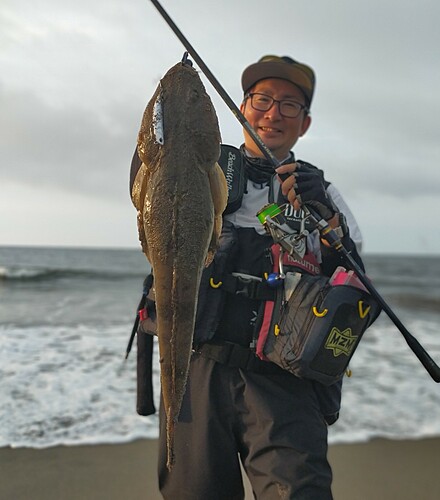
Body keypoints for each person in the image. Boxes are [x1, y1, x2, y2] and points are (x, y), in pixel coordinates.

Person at [131, 55, 365, 499]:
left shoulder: (322, 194)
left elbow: (358, 300)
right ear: (240, 107)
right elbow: (143, 179)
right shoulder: (196, 167)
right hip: (200, 367)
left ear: (306, 122)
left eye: (289, 105)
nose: (273, 113)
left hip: (285, 385)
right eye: (262, 99)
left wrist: (327, 218)